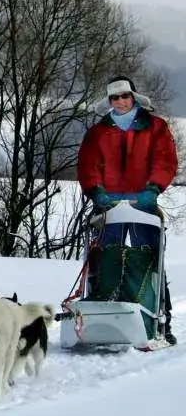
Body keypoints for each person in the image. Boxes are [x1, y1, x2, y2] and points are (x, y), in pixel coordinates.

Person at [77, 75, 179, 344]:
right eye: (115, 98)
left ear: (133, 97)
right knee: (102, 258)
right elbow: (88, 165)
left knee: (150, 258)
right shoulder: (98, 132)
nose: (120, 102)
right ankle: (99, 316)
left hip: (142, 202)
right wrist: (96, 192)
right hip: (108, 204)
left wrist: (152, 189)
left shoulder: (155, 127)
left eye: (125, 96)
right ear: (109, 102)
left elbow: (165, 159)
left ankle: (160, 320)